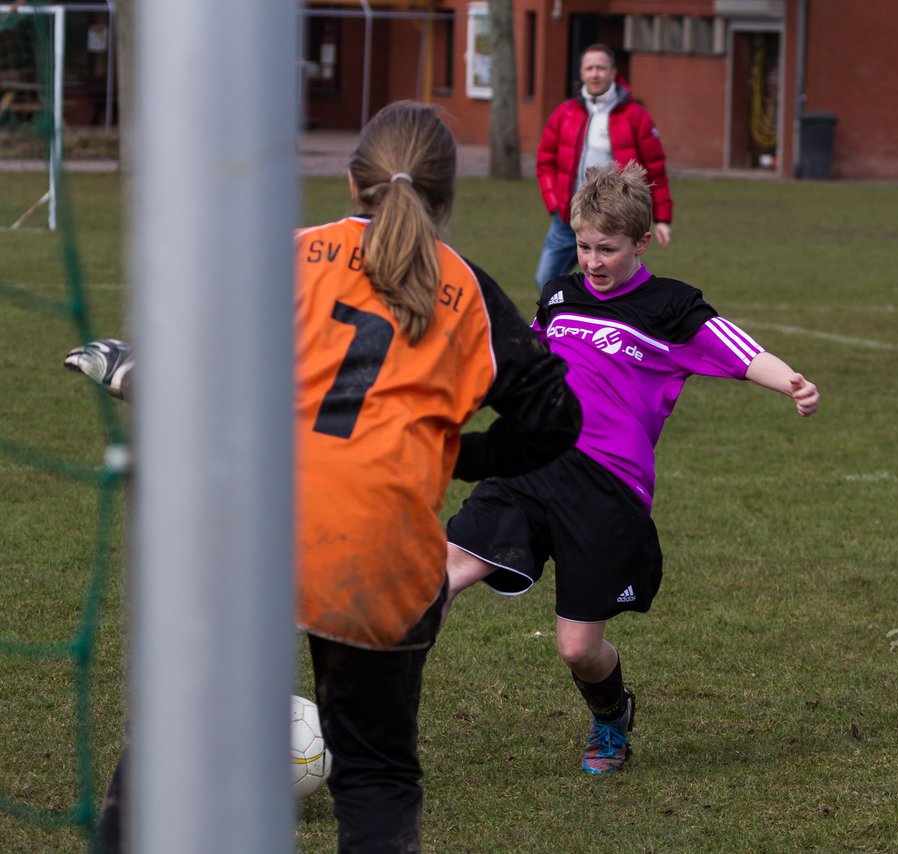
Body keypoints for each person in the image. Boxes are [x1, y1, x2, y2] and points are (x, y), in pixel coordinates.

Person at [65, 101, 582, 854]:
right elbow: (556, 420)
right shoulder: (469, 294)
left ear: (350, 181)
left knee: (176, 739)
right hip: (382, 545)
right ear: (446, 197)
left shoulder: (293, 252)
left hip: (261, 526)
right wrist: (456, 454)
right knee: (374, 775)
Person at [443, 162, 820, 775]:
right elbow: (528, 366)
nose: (592, 261)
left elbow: (740, 351)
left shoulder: (671, 307)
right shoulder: (560, 296)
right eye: (584, 246)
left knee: (577, 648)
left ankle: (610, 715)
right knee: (443, 572)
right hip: (533, 461)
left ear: (640, 242)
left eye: (607, 249)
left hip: (608, 488)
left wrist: (793, 384)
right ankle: (374, 711)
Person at [533, 43, 673, 292]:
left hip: (617, 218)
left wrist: (662, 218)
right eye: (589, 68)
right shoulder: (564, 114)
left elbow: (655, 169)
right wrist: (554, 202)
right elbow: (545, 161)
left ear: (613, 71)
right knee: (546, 278)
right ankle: (560, 323)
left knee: (617, 282)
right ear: (581, 72)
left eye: (601, 68)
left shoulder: (635, 116)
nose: (595, 74)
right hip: (569, 216)